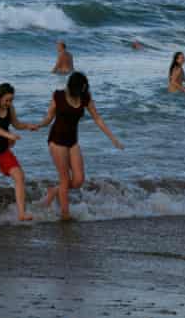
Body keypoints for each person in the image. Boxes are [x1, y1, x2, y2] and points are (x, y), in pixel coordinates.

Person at [35, 72, 124, 221]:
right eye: (80, 89)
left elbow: (97, 118)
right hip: (57, 140)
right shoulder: (58, 95)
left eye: (84, 89)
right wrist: (39, 125)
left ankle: (53, 191)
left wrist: (113, 138)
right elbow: (49, 117)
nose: (82, 92)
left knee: (78, 180)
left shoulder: (85, 96)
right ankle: (65, 215)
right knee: (64, 179)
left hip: (72, 141)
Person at [0, 83, 38, 221]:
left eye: (11, 100)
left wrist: (28, 126)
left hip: (3, 151)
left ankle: (21, 213)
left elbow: (16, 124)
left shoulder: (10, 108)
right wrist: (9, 136)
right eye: (7, 100)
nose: (9, 103)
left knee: (19, 176)